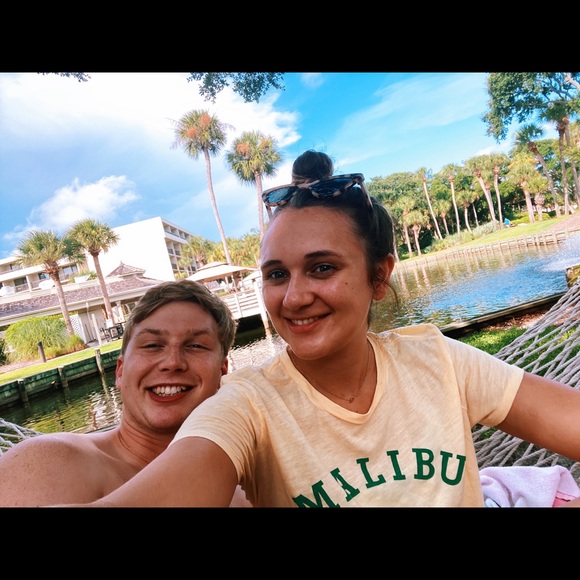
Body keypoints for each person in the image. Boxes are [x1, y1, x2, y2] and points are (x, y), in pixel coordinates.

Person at [61, 150, 580, 507]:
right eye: (276, 274)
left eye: (322, 267)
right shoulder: (247, 406)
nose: (293, 297)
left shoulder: (439, 361)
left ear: (379, 276)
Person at [0, 280, 251, 507]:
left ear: (223, 373)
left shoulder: (246, 481)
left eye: (195, 346)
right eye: (152, 345)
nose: (173, 362)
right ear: (120, 372)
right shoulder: (49, 463)